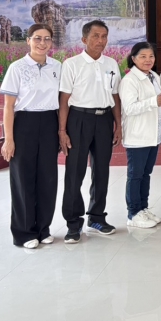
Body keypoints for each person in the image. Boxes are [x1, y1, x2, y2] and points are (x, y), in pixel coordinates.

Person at [58, 20, 122, 244]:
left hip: (104, 119)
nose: (100, 41)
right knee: (74, 172)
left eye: (104, 36)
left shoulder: (111, 63)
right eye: (95, 36)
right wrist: (62, 130)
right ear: (84, 39)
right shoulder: (72, 64)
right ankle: (73, 222)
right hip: (79, 119)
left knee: (101, 171)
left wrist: (118, 125)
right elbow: (64, 99)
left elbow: (115, 96)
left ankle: (96, 217)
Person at [0, 24, 61, 248]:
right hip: (24, 123)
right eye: (37, 38)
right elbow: (8, 106)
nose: (42, 43)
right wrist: (9, 139)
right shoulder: (17, 68)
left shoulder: (57, 66)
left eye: (47, 38)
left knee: (48, 178)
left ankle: (43, 229)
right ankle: (24, 233)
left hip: (50, 122)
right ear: (28, 40)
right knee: (23, 178)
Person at [119, 43, 161, 229]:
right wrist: (153, 101)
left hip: (152, 135)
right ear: (133, 58)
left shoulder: (154, 76)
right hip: (137, 136)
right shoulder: (130, 80)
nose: (148, 60)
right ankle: (133, 213)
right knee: (135, 175)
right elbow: (129, 108)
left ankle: (143, 209)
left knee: (146, 174)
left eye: (151, 56)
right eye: (143, 56)